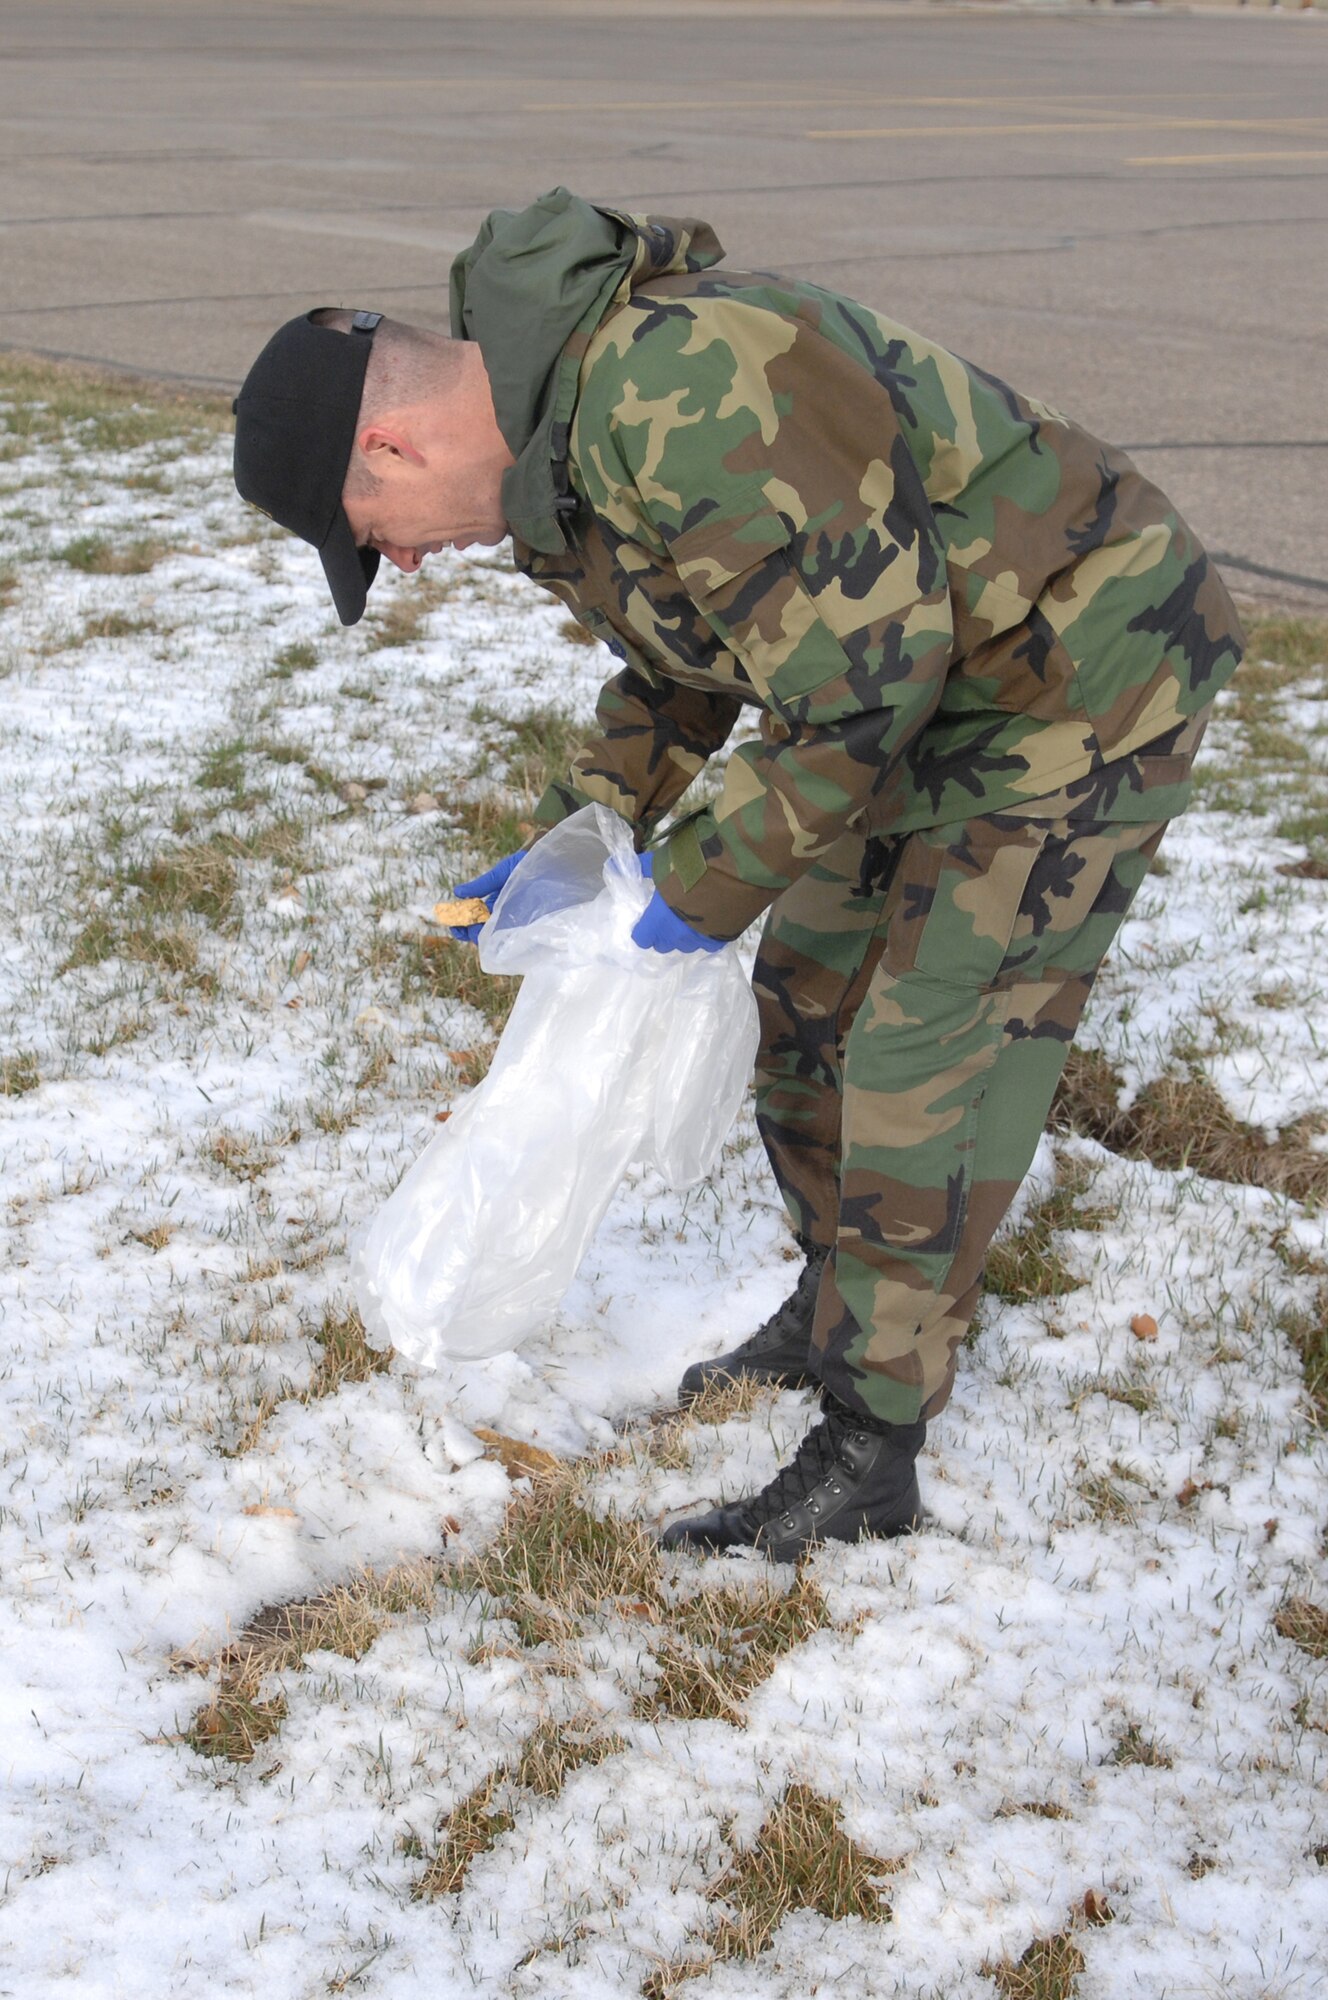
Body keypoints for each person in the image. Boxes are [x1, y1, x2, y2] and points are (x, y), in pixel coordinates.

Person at [233, 188, 1244, 1561]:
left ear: (391, 440)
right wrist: (578, 831)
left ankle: (872, 1442)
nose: (400, 562)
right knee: (808, 997)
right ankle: (845, 1310)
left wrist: (686, 893)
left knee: (915, 1040)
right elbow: (688, 652)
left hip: (1075, 670)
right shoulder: (561, 442)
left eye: (373, 532)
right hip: (925, 673)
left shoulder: (680, 396)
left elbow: (859, 695)